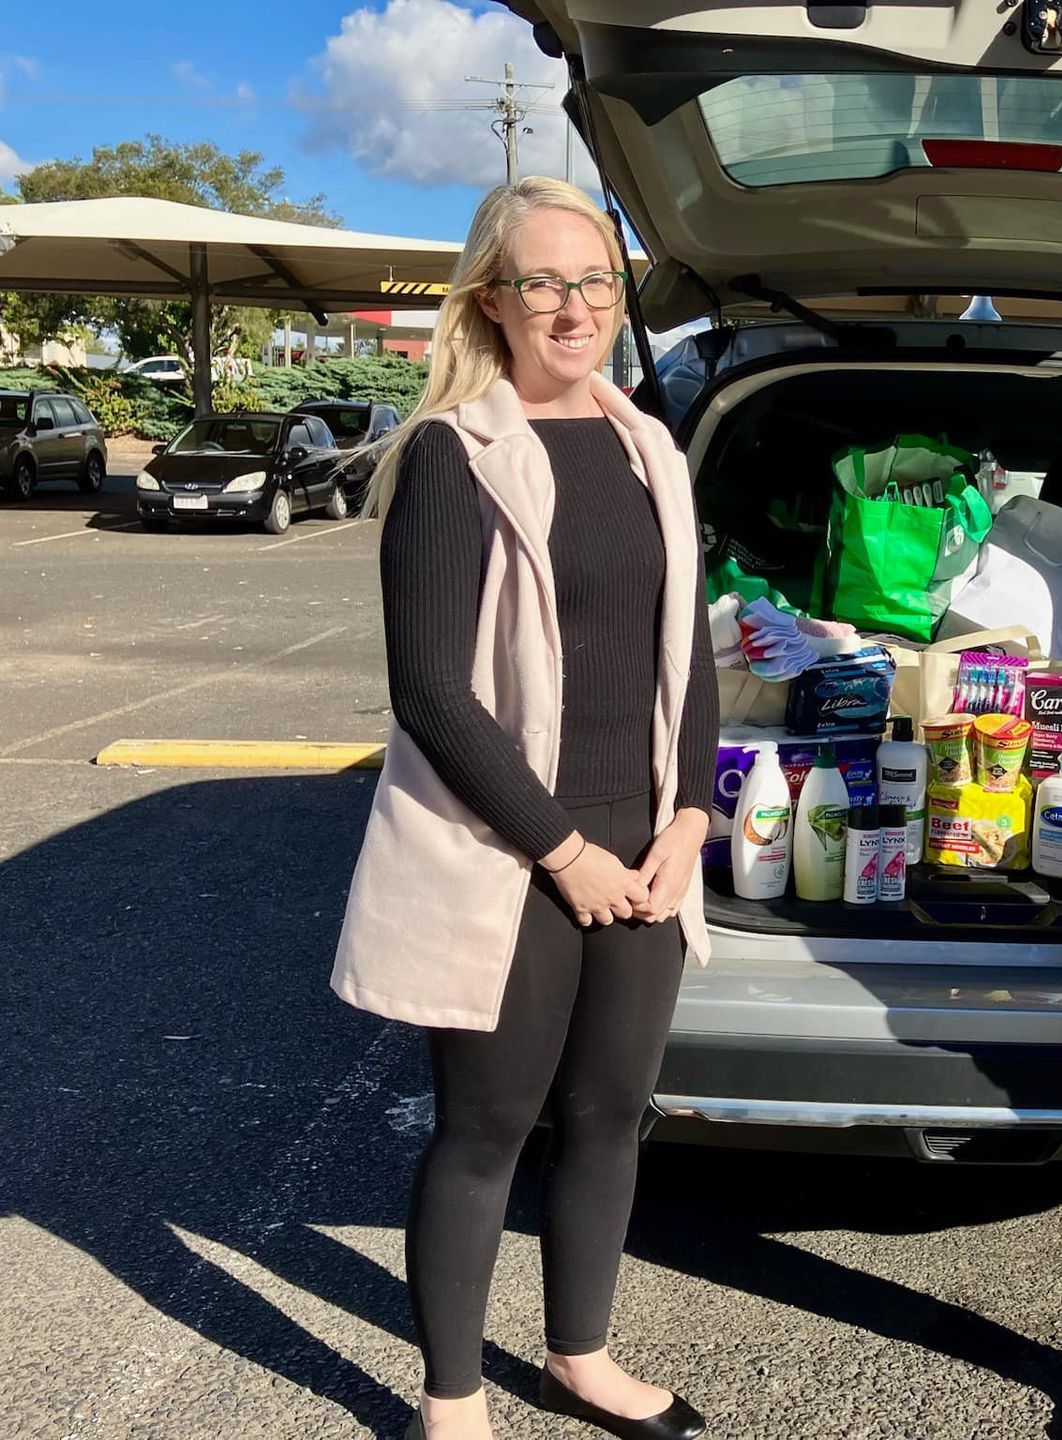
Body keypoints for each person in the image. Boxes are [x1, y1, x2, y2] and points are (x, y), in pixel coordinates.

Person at [330, 176, 717, 1440]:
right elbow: (431, 692)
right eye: (544, 282)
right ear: (490, 299)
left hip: (645, 847)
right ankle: (452, 1400)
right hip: (515, 848)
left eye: (597, 282)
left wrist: (687, 822)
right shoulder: (452, 456)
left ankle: (581, 1357)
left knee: (611, 1118)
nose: (575, 307)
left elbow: (689, 656)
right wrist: (567, 852)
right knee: (488, 1128)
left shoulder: (647, 445)